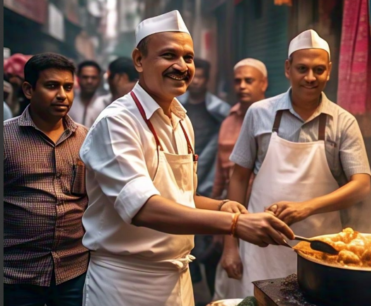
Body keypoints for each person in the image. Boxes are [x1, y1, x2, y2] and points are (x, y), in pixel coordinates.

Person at [79, 11, 293, 306]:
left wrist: (221, 205)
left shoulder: (180, 119)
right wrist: (232, 224)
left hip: (178, 279)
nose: (181, 66)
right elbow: (143, 208)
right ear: (139, 60)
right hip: (125, 284)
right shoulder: (116, 122)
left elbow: (181, 197)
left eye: (188, 58)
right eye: (169, 55)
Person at [220, 29, 371, 298]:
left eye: (319, 69)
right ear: (288, 68)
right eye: (302, 68)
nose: (311, 77)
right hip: (260, 245)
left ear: (329, 71)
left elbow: (361, 186)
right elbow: (239, 178)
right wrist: (230, 246)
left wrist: (306, 208)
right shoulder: (259, 113)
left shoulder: (343, 122)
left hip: (319, 248)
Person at [4, 53, 89, 306]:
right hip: (16, 275)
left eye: (68, 87)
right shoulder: (6, 138)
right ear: (29, 90)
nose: (62, 95)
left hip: (73, 272)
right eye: (52, 86)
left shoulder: (87, 139)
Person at [212, 58, 268, 300]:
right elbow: (221, 175)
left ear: (264, 83)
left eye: (249, 80)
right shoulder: (227, 122)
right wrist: (217, 217)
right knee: (231, 285)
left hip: (262, 216)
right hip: (230, 214)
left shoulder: (273, 119)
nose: (242, 86)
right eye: (238, 81)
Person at [177, 58, 230, 197]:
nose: (195, 81)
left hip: (207, 170)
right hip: (180, 165)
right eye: (193, 77)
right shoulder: (175, 105)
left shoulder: (219, 109)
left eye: (200, 77)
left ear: (207, 79)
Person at [68, 60, 103, 127]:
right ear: (78, 78)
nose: (89, 81)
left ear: (99, 80)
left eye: (94, 78)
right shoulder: (69, 103)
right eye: (85, 77)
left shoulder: (105, 104)